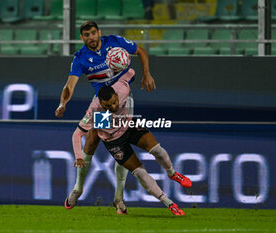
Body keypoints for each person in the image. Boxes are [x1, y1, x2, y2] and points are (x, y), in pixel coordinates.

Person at [55, 21, 156, 214]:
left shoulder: (115, 42)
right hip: (103, 105)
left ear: (99, 32)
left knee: (121, 143)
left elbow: (140, 50)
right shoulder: (81, 58)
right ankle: (78, 189)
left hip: (123, 102)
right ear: (81, 38)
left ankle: (119, 198)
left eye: (93, 33)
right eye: (87, 34)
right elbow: (70, 85)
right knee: (91, 141)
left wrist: (147, 74)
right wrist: (63, 103)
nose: (91, 37)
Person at [69, 68, 192, 216]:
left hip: (129, 125)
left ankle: (172, 173)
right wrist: (78, 157)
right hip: (113, 139)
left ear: (116, 95)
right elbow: (77, 134)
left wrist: (146, 73)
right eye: (108, 106)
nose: (113, 107)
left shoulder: (122, 87)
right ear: (101, 103)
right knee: (139, 171)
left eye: (114, 102)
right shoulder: (95, 110)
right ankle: (169, 203)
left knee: (157, 149)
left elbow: (131, 70)